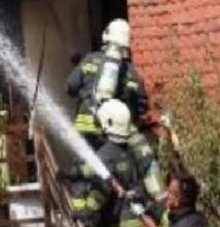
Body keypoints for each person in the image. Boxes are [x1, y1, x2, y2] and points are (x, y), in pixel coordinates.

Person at [66, 19, 166, 206]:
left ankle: (80, 212)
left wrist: (84, 87)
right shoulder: (133, 73)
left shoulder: (89, 59)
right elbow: (142, 107)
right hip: (111, 133)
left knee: (81, 170)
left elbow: (70, 88)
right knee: (114, 170)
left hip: (85, 130)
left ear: (107, 36)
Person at [66, 99, 152, 227]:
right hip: (134, 215)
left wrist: (86, 212)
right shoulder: (132, 149)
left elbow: (101, 191)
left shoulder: (105, 155)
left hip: (114, 218)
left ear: (107, 123)